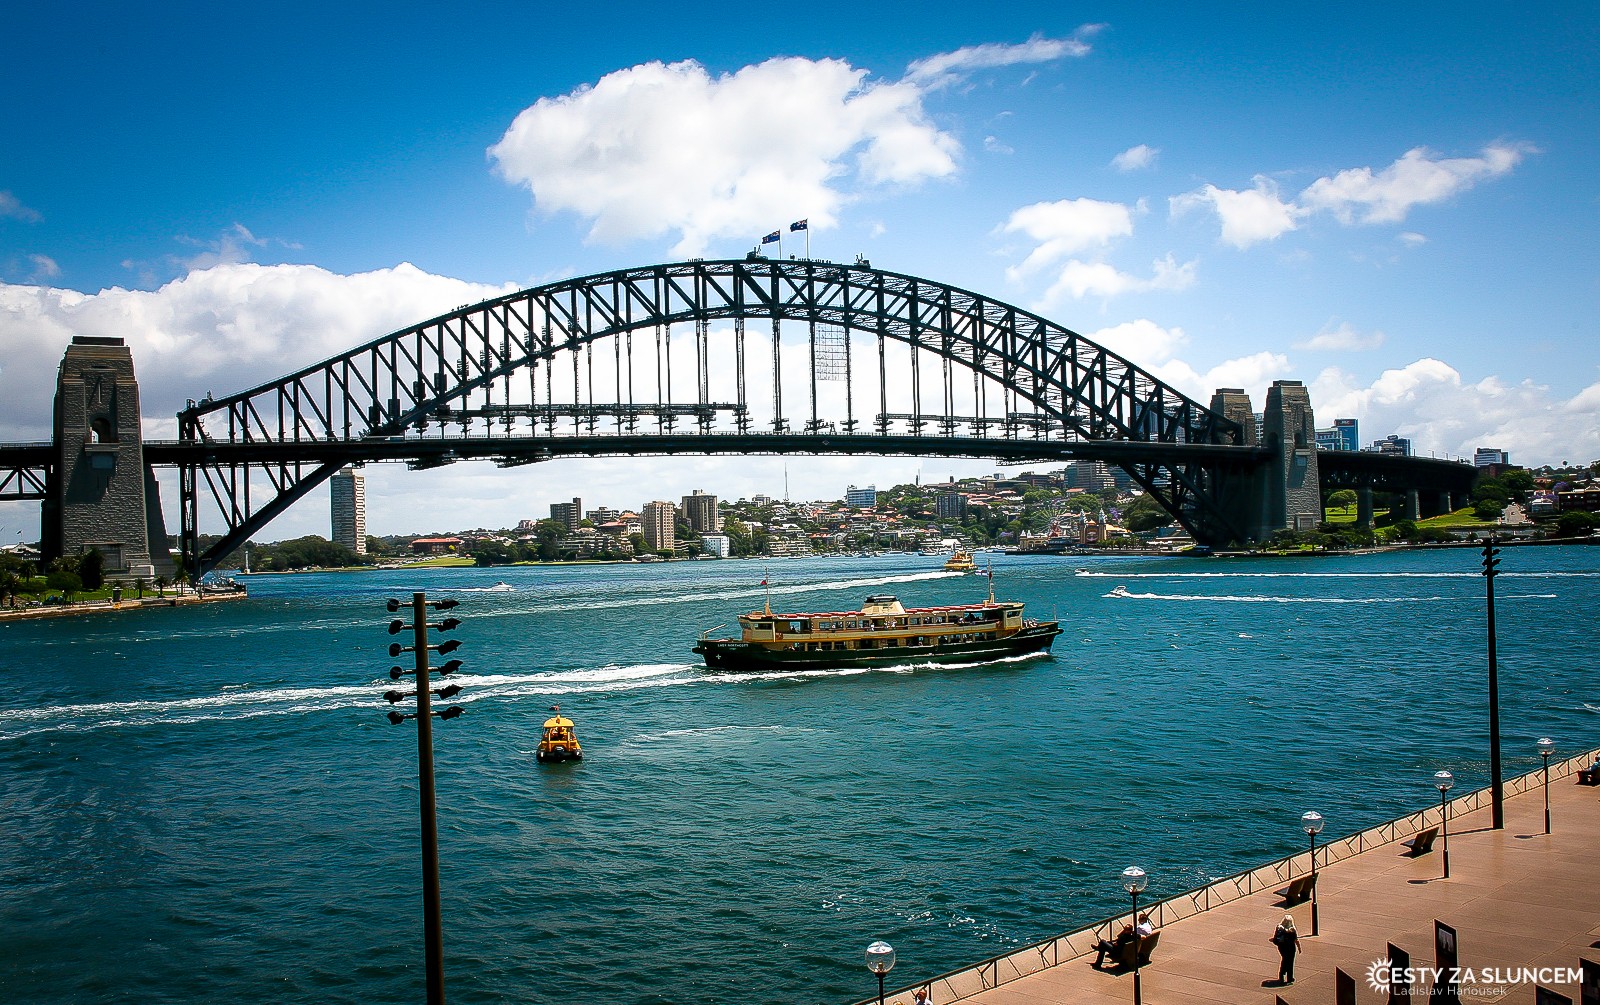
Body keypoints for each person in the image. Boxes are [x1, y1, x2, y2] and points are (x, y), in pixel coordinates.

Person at [1271, 914, 1300, 985]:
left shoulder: (1279, 927)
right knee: (1290, 962)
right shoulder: (1292, 930)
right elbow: (1296, 940)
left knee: (1284, 960)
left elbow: (1276, 937)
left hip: (1282, 947)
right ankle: (1289, 978)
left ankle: (1281, 976)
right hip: (1290, 947)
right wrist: (1299, 948)